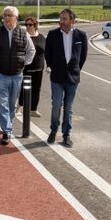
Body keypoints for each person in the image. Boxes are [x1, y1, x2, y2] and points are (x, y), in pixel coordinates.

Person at [0, 6, 35, 145]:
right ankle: (6, 130)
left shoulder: (23, 33)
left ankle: (8, 124)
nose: (6, 18)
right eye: (4, 15)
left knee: (12, 104)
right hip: (0, 74)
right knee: (2, 103)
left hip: (17, 75)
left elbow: (31, 50)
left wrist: (24, 63)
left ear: (16, 18)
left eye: (9, 15)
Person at [44, 8, 87, 147]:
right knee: (56, 105)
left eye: (64, 19)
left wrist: (75, 70)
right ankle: (53, 130)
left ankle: (66, 134)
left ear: (72, 21)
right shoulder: (52, 34)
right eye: (60, 18)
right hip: (57, 77)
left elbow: (83, 56)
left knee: (68, 108)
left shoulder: (81, 35)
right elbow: (48, 55)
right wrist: (53, 67)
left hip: (73, 78)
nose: (61, 21)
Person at [18, 17, 45, 117]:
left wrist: (48, 66)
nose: (28, 27)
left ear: (35, 25)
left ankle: (33, 109)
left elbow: (45, 51)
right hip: (26, 67)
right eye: (26, 25)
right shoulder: (24, 37)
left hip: (39, 68)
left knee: (37, 89)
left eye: (30, 25)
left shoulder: (41, 37)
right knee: (23, 88)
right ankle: (19, 106)